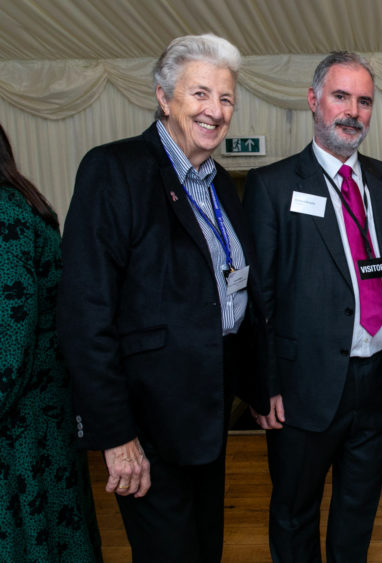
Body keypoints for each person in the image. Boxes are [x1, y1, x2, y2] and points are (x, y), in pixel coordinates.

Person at [57, 34, 274, 562]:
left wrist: (260, 388)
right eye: (200, 94)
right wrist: (116, 435)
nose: (215, 111)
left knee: (204, 549)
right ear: (163, 96)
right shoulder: (115, 170)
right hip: (148, 422)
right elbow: (84, 315)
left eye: (225, 99)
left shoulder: (220, 184)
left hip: (209, 412)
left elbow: (232, 292)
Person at [242, 51, 382, 563]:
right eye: (341, 96)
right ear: (313, 100)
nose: (353, 111)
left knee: (358, 508)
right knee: (295, 511)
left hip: (380, 381)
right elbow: (262, 299)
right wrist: (266, 383)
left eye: (364, 101)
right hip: (303, 388)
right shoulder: (272, 186)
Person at [0, 124, 102, 562]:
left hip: (20, 419)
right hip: (41, 410)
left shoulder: (4, 216)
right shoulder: (23, 202)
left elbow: (11, 339)